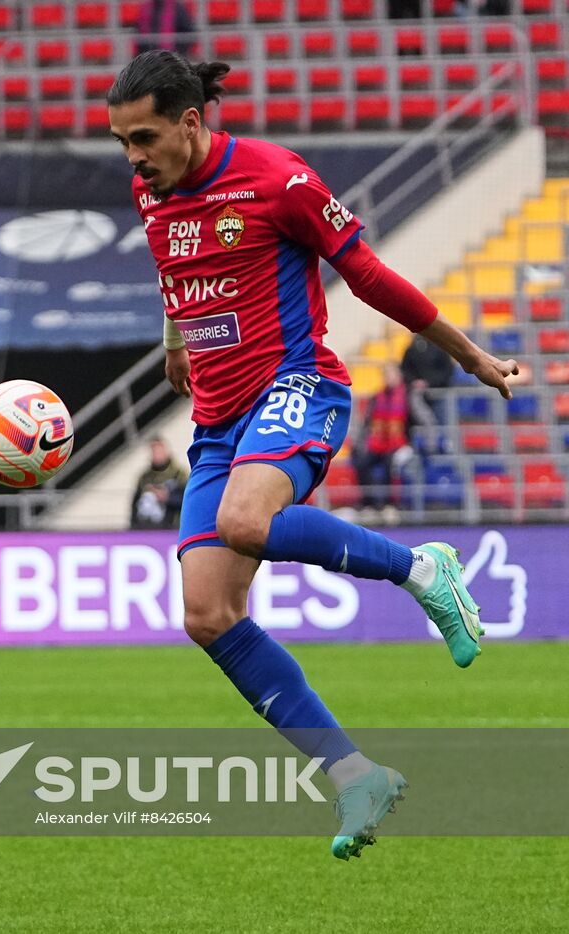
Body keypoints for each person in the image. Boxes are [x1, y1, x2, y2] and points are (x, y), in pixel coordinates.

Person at [107, 51, 517, 860]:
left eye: (145, 138)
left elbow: (364, 274)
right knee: (206, 613)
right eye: (122, 142)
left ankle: (422, 569)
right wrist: (174, 343)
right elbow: (172, 268)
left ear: (192, 121)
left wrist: (469, 356)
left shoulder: (278, 179)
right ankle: (355, 774)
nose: (134, 157)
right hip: (219, 422)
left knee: (245, 521)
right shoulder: (149, 190)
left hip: (297, 385)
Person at [352, 364, 412, 518]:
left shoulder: (408, 395)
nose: (388, 378)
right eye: (386, 375)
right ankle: (369, 503)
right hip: (377, 442)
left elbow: (417, 420)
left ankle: (389, 504)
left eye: (391, 375)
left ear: (398, 376)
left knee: (389, 463)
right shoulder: (376, 397)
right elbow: (367, 422)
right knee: (362, 462)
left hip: (401, 443)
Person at [131, 435, 188, 529]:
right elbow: (135, 504)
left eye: (159, 451)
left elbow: (186, 500)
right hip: (146, 528)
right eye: (154, 451)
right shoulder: (145, 477)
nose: (156, 454)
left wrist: (167, 498)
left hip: (172, 527)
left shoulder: (179, 474)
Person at [401, 332, 454, 429]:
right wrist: (415, 382)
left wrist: (429, 382)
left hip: (440, 393)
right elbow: (405, 369)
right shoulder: (411, 349)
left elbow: (447, 370)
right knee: (420, 425)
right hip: (418, 394)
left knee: (443, 425)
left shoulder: (440, 348)